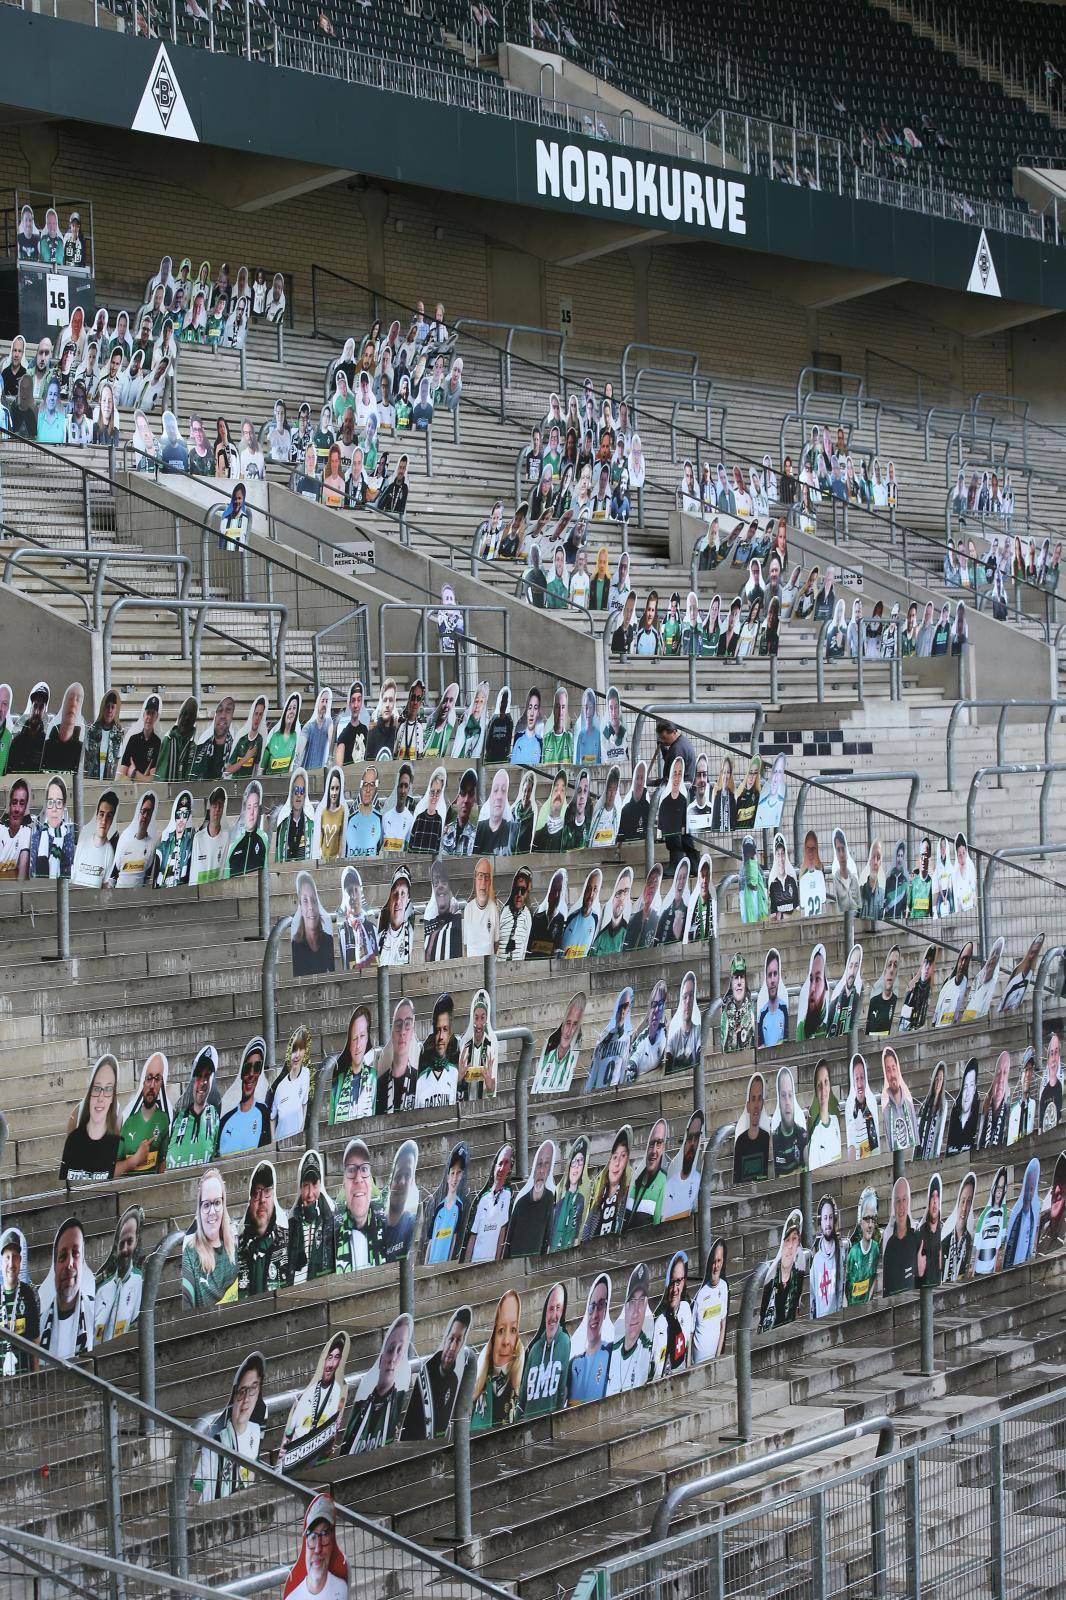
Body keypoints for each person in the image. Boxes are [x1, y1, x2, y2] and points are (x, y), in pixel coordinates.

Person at [60, 1055, 150, 1183]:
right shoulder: (77, 1115)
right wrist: (133, 1161)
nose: (101, 1097)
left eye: (108, 1089)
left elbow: (109, 1169)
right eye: (97, 1088)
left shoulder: (117, 1116)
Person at [193, 1352, 267, 1501]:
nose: (246, 1399)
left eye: (253, 1388)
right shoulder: (216, 1440)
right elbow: (198, 1485)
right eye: (241, 1392)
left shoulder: (256, 1429)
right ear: (233, 1396)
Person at [278, 1333, 351, 1471]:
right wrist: (284, 1451)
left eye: (336, 1358)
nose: (331, 1364)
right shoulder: (306, 1395)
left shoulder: (339, 1392)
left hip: (318, 1464)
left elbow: (333, 1435)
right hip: (294, 1463)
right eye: (329, 1358)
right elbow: (288, 1435)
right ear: (323, 1360)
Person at [402, 1308, 472, 1440]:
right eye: (451, 1339)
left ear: (463, 1344)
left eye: (458, 1341)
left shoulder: (454, 1379)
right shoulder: (425, 1369)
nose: (452, 1347)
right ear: (445, 1338)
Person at [181, 1167, 238, 1310]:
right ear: (199, 1210)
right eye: (206, 1205)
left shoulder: (235, 1247)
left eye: (217, 1203)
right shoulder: (190, 1253)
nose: (212, 1212)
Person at [38, 1218, 94, 1357]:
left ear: (82, 1263)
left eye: (75, 1254)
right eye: (62, 1256)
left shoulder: (97, 1312)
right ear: (54, 1268)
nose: (69, 1263)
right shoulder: (39, 1325)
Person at [471, 1291, 524, 1430]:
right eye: (501, 1330)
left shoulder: (523, 1379)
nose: (506, 1341)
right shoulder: (477, 1384)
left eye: (513, 1330)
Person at [286, 1149, 336, 1283]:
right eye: (305, 1185)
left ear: (321, 1185)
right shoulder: (290, 1224)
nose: (310, 1193)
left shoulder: (331, 1221)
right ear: (300, 1188)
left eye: (314, 1185)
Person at [216, 1037, 271, 1156]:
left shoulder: (264, 1112)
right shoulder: (226, 1119)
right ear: (241, 1073)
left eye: (256, 1068)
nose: (251, 1074)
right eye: (247, 1068)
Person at [118, 1052, 171, 1174]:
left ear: (161, 1084)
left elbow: (162, 1164)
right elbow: (112, 1170)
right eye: (149, 1078)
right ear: (143, 1081)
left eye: (157, 1079)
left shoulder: (163, 1119)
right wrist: (136, 1159)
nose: (152, 1085)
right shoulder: (127, 1120)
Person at [463, 1144, 515, 1263]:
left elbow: (502, 1233)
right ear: (494, 1166)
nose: (502, 1168)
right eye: (500, 1163)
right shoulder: (483, 1199)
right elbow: (473, 1236)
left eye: (506, 1163)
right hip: (475, 1263)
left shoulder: (508, 1195)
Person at [567, 1275, 612, 1405]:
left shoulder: (610, 1352)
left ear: (606, 1310)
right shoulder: (574, 1363)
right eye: (592, 1306)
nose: (595, 1314)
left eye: (601, 1305)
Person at [0, 1226, 40, 1373]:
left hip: (26, 1377)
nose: (11, 1264)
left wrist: (36, 1375)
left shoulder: (28, 1293)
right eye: (7, 1257)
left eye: (15, 1257)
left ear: (20, 1260)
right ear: (1, 1261)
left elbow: (35, 1339)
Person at [759, 1211, 806, 1331]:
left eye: (794, 1239)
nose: (790, 1246)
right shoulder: (770, 1280)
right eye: (787, 1240)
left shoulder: (798, 1275)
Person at [652, 1250, 693, 1377]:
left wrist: (689, 1371)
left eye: (678, 1281)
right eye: (671, 1283)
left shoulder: (686, 1309)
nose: (675, 1289)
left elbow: (689, 1342)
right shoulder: (659, 1322)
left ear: (684, 1282)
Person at [881, 1177, 918, 1297]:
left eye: (904, 1200)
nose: (901, 1206)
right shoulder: (888, 1239)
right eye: (897, 1201)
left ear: (909, 1202)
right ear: (893, 1204)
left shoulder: (916, 1236)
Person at [809, 1195, 844, 1319]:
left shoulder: (841, 1255)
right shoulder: (816, 1260)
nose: (828, 1223)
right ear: (821, 1222)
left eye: (830, 1218)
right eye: (825, 1218)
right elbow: (812, 1298)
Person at [1003, 1157, 1041, 1268]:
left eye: (1032, 1189)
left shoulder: (1034, 1213)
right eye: (1027, 1188)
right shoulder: (1016, 1213)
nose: (1029, 1193)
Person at [974, 1167, 1009, 1276]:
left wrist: (994, 1268)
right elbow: (978, 1245)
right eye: (997, 1188)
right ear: (993, 1189)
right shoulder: (985, 1214)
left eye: (1002, 1189)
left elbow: (999, 1243)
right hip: (979, 1268)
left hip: (991, 1268)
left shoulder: (1003, 1213)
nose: (999, 1192)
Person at [721, 953, 756, 1052]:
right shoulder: (724, 1015)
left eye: (742, 977)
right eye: (736, 977)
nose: (739, 982)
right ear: (731, 982)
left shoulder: (752, 1012)